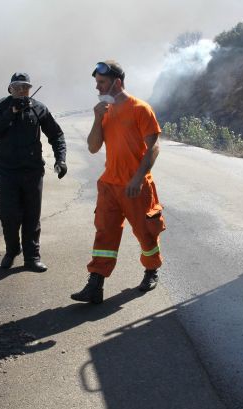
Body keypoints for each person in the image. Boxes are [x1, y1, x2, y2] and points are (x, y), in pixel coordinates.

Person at [71, 60, 166, 304]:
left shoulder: (140, 108)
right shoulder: (105, 111)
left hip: (136, 186)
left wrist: (137, 177)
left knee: (145, 233)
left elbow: (154, 147)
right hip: (109, 185)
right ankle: (95, 283)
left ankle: (151, 270)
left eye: (101, 83)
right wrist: (96, 118)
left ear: (117, 82)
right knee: (105, 233)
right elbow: (93, 148)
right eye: (96, 83)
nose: (97, 88)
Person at [0, 72, 68, 272]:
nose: (22, 90)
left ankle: (32, 257)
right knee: (9, 216)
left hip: (33, 172)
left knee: (32, 215)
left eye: (26, 87)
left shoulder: (38, 108)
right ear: (10, 88)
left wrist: (61, 160)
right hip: (7, 172)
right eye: (18, 86)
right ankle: (12, 251)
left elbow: (56, 134)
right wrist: (10, 112)